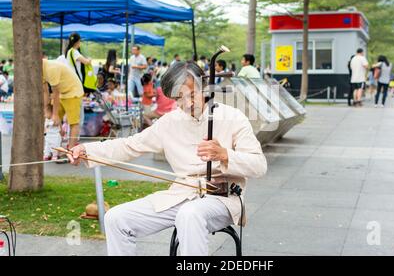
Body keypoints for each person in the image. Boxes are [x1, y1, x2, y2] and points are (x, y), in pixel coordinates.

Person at [68, 61, 267, 256]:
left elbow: (259, 166)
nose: (187, 103)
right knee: (116, 218)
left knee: (189, 214)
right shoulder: (169, 122)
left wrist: (225, 155)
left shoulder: (233, 117)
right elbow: (129, 145)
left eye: (192, 94)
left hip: (222, 199)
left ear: (204, 87)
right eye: (179, 98)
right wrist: (87, 150)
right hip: (180, 195)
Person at [42, 59, 84, 150]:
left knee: (73, 122)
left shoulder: (51, 69)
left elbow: (55, 93)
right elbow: (45, 91)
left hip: (73, 92)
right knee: (55, 121)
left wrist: (55, 114)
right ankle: (56, 149)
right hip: (61, 93)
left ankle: (72, 150)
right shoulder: (39, 70)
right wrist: (46, 108)